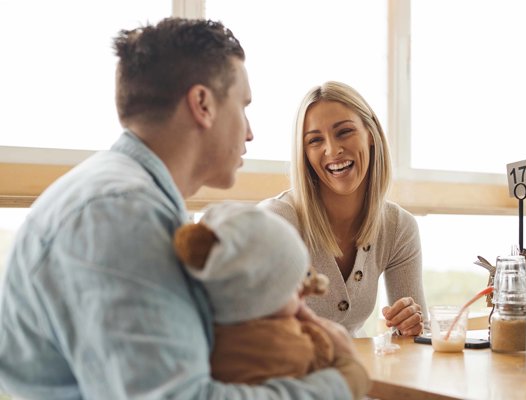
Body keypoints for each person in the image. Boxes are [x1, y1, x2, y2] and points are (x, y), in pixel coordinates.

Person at [0, 19, 365, 399]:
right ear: (203, 104)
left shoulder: (122, 196)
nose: (250, 131)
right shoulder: (122, 215)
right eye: (243, 106)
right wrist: (340, 383)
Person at [259, 81, 426, 337]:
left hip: (348, 370)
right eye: (315, 140)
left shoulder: (398, 227)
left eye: (344, 132)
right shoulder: (276, 222)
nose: (333, 150)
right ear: (304, 153)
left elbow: (417, 338)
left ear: (370, 134)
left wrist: (410, 324)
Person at [173, 202, 369, 400]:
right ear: (264, 298)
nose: (303, 295)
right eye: (294, 288)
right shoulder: (280, 344)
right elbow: (319, 360)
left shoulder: (214, 334)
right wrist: (342, 359)